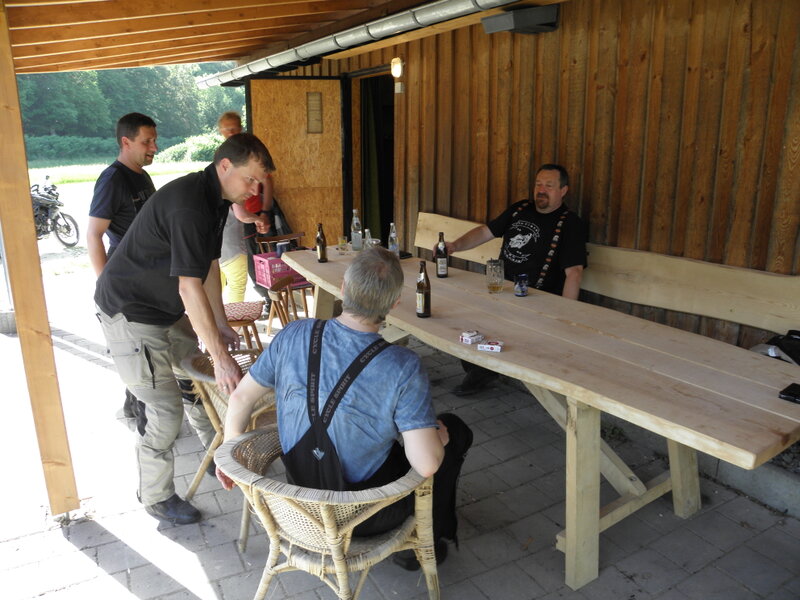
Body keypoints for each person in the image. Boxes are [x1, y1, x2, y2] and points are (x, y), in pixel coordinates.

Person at [217, 247, 473, 569]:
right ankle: (422, 547)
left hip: (297, 504)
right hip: (362, 517)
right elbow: (426, 464)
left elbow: (240, 399)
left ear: (343, 288)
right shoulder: (403, 365)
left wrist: (233, 461)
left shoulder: (294, 333)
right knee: (454, 430)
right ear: (394, 304)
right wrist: (440, 439)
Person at [95, 133, 276, 525]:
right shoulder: (190, 205)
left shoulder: (216, 200)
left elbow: (208, 268)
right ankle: (156, 496)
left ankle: (215, 459)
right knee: (164, 410)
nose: (254, 190)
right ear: (224, 166)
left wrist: (220, 325)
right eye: (250, 179)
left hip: (165, 309)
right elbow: (188, 286)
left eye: (259, 182)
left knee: (197, 384)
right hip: (130, 312)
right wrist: (221, 357)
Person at [442, 163, 588, 395]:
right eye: (538, 184)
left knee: (491, 323)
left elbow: (574, 272)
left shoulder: (570, 223)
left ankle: (483, 372)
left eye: (549, 185)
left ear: (563, 191)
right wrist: (454, 246)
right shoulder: (520, 209)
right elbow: (485, 232)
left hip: (535, 300)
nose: (541, 189)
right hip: (500, 290)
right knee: (465, 313)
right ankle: (480, 370)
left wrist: (565, 316)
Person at [87, 112, 158, 419]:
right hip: (125, 284)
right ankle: (145, 421)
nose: (154, 147)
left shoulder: (141, 175)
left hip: (147, 279)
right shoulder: (112, 179)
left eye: (154, 140)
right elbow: (93, 234)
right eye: (147, 142)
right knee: (138, 352)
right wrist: (106, 284)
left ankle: (134, 405)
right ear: (126, 142)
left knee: (143, 350)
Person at [216, 112, 272, 302]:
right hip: (232, 234)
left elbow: (267, 182)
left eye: (235, 129)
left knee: (221, 283)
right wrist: (257, 218)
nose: (255, 190)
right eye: (227, 130)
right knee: (237, 281)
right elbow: (240, 213)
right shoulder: (228, 164)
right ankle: (235, 320)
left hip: (228, 233)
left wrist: (264, 211)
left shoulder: (248, 154)